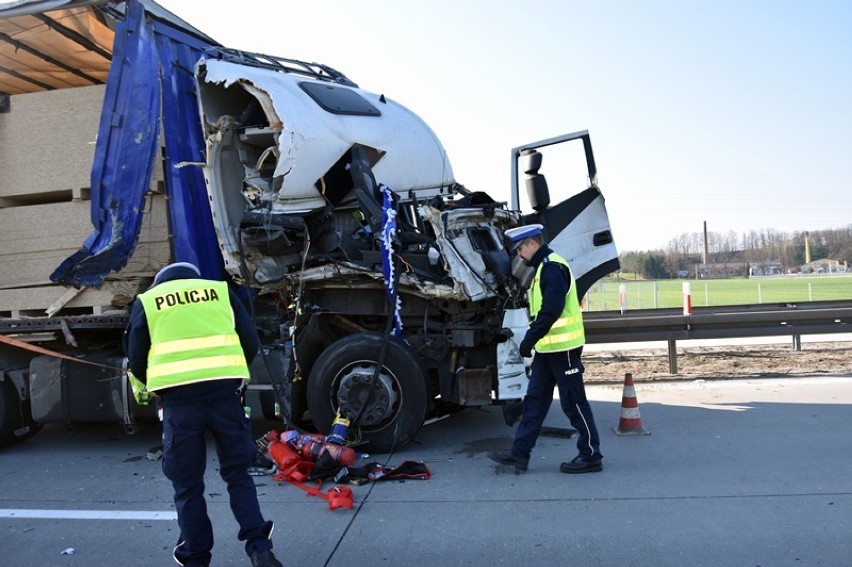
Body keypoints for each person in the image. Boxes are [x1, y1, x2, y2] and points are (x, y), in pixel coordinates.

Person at [124, 262, 283, 567]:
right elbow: (249, 341)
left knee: (187, 484)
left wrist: (161, 388)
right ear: (194, 278)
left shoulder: (150, 300)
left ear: (162, 281)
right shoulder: (220, 292)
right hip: (225, 397)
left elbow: (136, 357)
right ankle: (260, 548)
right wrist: (230, 376)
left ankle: (195, 557)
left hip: (180, 404)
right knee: (238, 474)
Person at [488, 224, 603, 474]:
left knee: (574, 403)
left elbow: (552, 310)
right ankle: (520, 454)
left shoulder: (552, 267)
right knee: (535, 403)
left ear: (532, 243)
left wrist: (529, 339)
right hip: (549, 350)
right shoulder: (542, 268)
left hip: (565, 350)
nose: (519, 254)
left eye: (520, 249)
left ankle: (591, 455)